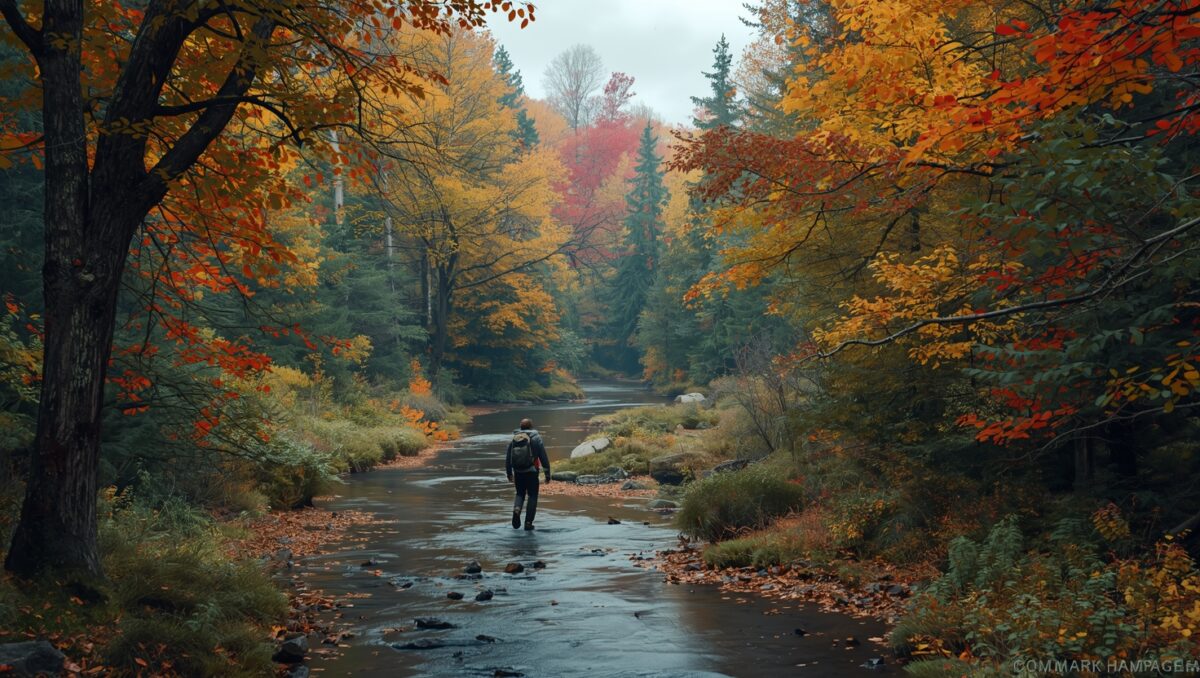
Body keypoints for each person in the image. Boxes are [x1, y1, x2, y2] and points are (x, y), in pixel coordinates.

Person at [505, 418, 550, 530]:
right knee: (532, 496)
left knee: (520, 494)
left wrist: (509, 473)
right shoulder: (536, 438)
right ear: (531, 427)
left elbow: (508, 457)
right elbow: (543, 457)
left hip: (518, 472)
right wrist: (547, 474)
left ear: (521, 427)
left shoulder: (515, 438)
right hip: (532, 472)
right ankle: (528, 523)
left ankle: (517, 509)